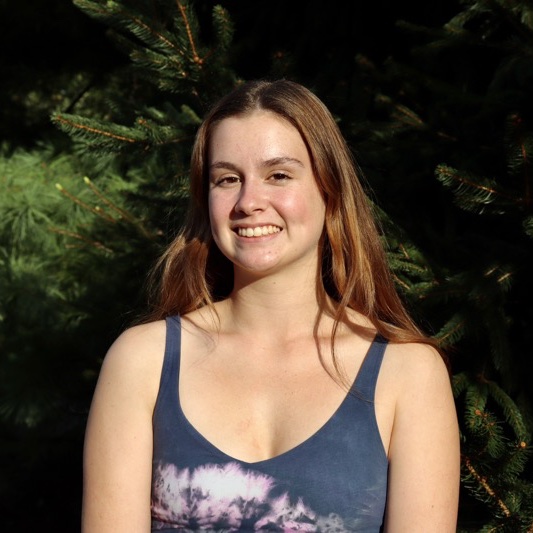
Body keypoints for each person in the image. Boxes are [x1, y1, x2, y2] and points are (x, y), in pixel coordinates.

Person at [81, 79, 460, 532]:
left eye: (278, 175)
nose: (248, 202)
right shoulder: (142, 361)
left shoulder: (408, 373)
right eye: (227, 179)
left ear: (330, 190)